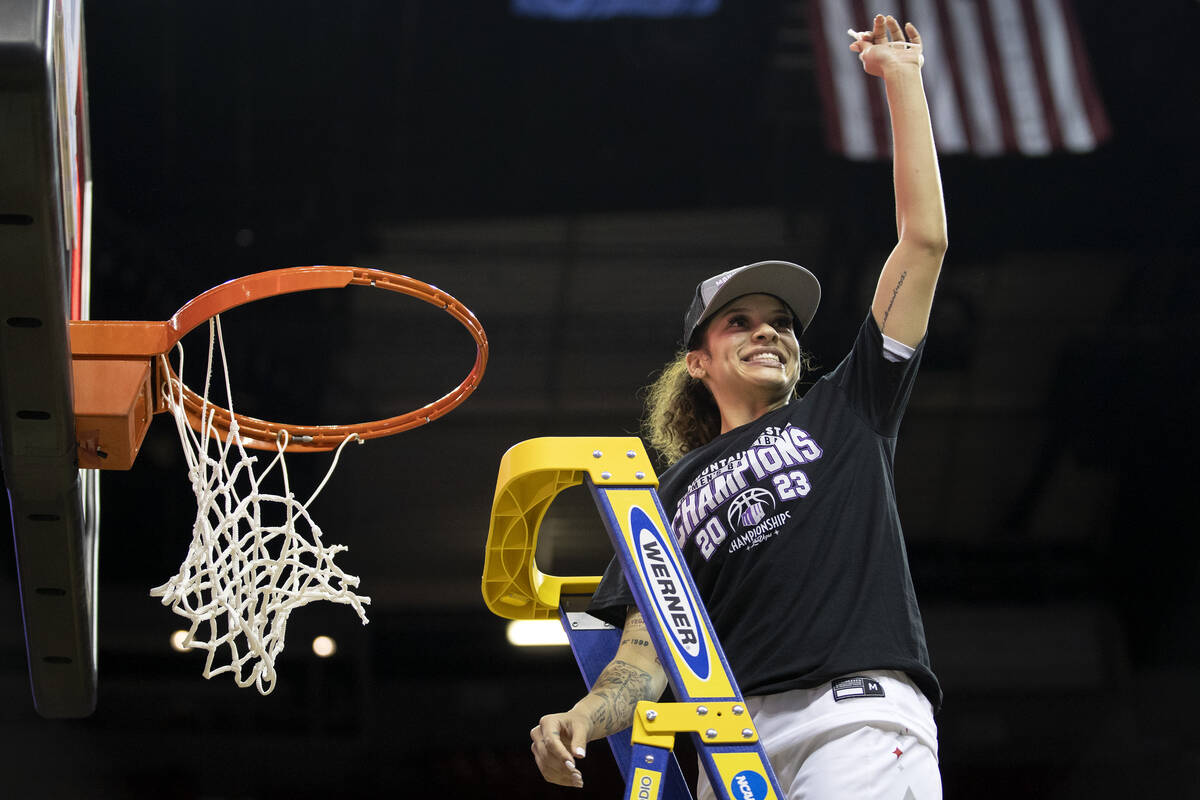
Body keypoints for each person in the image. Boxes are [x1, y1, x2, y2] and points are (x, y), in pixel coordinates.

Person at [530, 13, 947, 799]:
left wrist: (902, 83)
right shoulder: (667, 495)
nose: (769, 333)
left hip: (853, 719)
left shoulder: (849, 407)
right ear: (697, 361)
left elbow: (922, 244)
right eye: (741, 322)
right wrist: (580, 719)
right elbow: (644, 653)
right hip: (732, 744)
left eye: (782, 324)